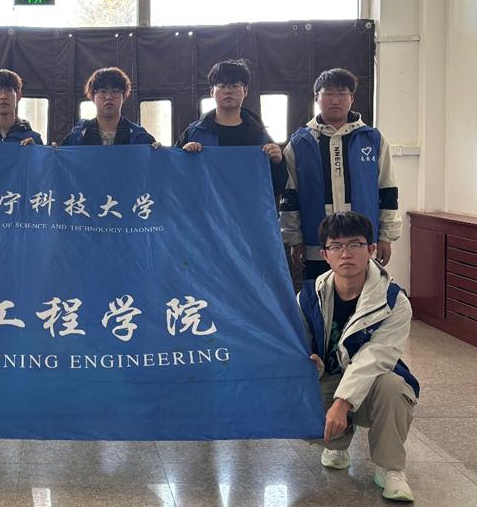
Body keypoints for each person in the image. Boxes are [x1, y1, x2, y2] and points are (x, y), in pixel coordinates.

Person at [298, 211, 418, 502]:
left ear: (371, 249)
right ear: (325, 254)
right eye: (336, 246)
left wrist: (342, 402)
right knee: (295, 393)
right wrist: (308, 361)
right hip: (328, 377)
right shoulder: (309, 296)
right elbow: (298, 344)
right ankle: (337, 446)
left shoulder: (393, 301)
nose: (346, 254)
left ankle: (391, 468)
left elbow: (375, 357)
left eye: (355, 244)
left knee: (394, 387)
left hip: (373, 383)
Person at [280, 68, 401, 281]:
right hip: (317, 243)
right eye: (328, 93)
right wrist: (294, 239)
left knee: (363, 295)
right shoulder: (299, 143)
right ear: (316, 98)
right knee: (319, 296)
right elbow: (290, 195)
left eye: (342, 93)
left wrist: (386, 237)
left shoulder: (372, 139)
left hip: (361, 241)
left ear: (351, 98)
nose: (335, 100)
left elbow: (388, 190)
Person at [176, 59, 287, 195]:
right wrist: (184, 156)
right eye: (222, 86)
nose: (228, 91)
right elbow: (175, 178)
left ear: (245, 91)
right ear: (212, 91)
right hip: (206, 208)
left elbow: (277, 187)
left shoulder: (260, 135)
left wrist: (278, 162)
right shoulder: (194, 134)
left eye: (235, 85)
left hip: (246, 207)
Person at [61, 67, 156, 146]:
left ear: (124, 97)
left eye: (115, 91)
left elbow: (153, 160)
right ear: (93, 97)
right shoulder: (78, 135)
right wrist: (55, 151)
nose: (108, 97)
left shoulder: (138, 135)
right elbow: (63, 158)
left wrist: (158, 150)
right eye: (102, 91)